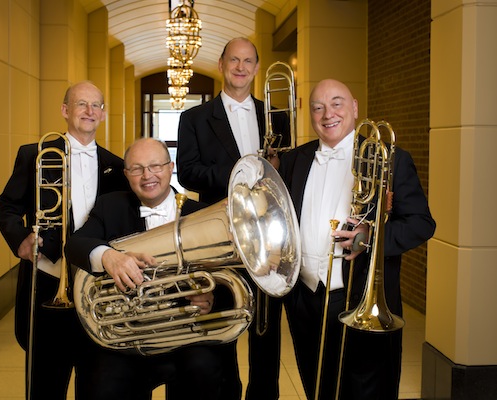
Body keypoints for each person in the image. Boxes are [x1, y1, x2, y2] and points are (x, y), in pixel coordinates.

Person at [278, 78, 436, 400]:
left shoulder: (391, 159)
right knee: (317, 385)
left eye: (337, 103)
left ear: (354, 108)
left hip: (361, 294)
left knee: (366, 389)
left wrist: (371, 237)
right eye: (318, 107)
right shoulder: (295, 160)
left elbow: (421, 223)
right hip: (306, 298)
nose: (327, 114)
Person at [0, 80, 129, 399]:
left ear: (103, 115)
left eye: (96, 105)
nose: (89, 111)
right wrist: (20, 240)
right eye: (81, 104)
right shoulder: (35, 155)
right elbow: (8, 207)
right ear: (65, 111)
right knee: (45, 384)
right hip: (46, 281)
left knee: (95, 381)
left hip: (98, 289)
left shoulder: (115, 165)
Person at [65, 137, 224, 400]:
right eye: (137, 168)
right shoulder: (110, 206)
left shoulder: (201, 215)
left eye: (155, 166)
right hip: (128, 338)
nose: (147, 175)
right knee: (101, 384)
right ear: (126, 174)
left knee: (206, 371)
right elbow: (75, 245)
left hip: (187, 334)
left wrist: (212, 297)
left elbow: (228, 276)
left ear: (170, 167)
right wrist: (108, 256)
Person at [177, 37, 287, 400]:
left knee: (266, 329)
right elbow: (188, 173)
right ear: (221, 64)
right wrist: (245, 169)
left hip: (268, 235)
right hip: (219, 231)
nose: (240, 67)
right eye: (233, 60)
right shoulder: (193, 118)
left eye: (248, 61)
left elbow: (286, 174)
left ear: (256, 68)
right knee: (222, 319)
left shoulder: (275, 115)